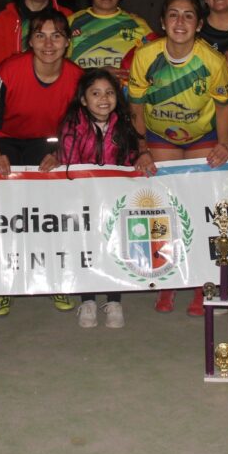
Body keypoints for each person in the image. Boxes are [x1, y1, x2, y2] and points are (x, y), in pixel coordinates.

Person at [129, 0, 228, 316]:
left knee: (200, 208)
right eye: (173, 14)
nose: (180, 21)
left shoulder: (212, 61)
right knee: (164, 207)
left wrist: (224, 144)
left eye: (189, 15)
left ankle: (203, 283)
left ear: (199, 23)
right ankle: (168, 277)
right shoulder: (145, 56)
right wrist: (142, 147)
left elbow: (225, 106)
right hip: (160, 135)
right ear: (162, 21)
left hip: (202, 135)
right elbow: (136, 105)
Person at [0, 11, 85, 316]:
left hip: (51, 144)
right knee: (8, 217)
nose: (48, 43)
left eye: (56, 36)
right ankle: (5, 286)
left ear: (67, 42)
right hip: (8, 141)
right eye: (40, 35)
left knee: (50, 217)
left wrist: (63, 155)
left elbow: (79, 128)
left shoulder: (76, 77)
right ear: (30, 41)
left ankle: (53, 282)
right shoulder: (9, 70)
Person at [40, 69, 153, 328]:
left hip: (114, 199)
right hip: (83, 200)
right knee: (86, 248)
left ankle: (114, 300)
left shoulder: (124, 123)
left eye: (110, 92)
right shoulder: (72, 125)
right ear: (83, 99)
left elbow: (130, 158)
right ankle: (87, 300)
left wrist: (142, 157)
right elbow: (69, 162)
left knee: (114, 247)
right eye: (95, 93)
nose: (104, 99)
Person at [66, 0, 155, 81]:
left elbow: (154, 67)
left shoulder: (138, 25)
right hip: (82, 95)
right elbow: (59, 67)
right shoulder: (70, 22)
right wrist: (97, 73)